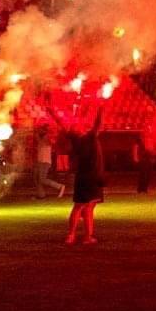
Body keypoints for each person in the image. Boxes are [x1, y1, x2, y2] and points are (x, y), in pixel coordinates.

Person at [63, 103, 106, 245]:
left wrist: (51, 111)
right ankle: (74, 235)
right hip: (92, 177)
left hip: (87, 176)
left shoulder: (76, 140)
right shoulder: (89, 137)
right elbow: (98, 124)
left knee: (85, 207)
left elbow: (63, 125)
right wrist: (100, 108)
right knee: (83, 207)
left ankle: (84, 236)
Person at [31, 124, 66, 199]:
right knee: (37, 178)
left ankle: (60, 186)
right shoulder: (43, 138)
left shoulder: (46, 138)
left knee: (42, 179)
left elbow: (41, 139)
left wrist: (36, 131)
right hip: (40, 161)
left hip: (45, 162)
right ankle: (41, 195)